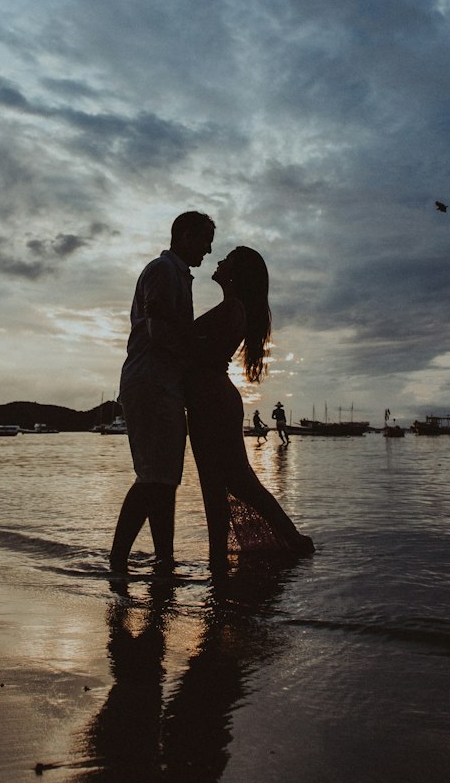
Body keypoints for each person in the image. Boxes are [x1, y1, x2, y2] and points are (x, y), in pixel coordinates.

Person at [186, 247, 314, 570]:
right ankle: (224, 559)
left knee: (228, 483)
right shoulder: (232, 307)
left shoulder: (232, 309)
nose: (218, 261)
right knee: (226, 483)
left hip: (212, 401)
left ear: (236, 272)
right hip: (210, 400)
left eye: (226, 259)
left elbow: (202, 354)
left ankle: (230, 558)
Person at [108, 211, 215, 571]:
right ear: (185, 235)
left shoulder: (178, 276)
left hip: (162, 383)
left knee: (164, 479)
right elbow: (159, 332)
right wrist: (199, 352)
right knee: (154, 476)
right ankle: (118, 561)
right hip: (150, 382)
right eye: (205, 239)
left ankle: (164, 558)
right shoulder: (162, 271)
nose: (209, 249)